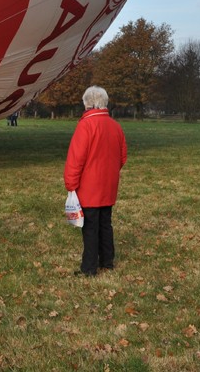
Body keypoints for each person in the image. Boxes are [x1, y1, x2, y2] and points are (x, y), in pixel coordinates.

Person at [63, 86, 127, 276]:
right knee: (105, 224)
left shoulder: (85, 125)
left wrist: (71, 184)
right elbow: (122, 156)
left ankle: (89, 268)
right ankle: (107, 261)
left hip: (89, 186)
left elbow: (76, 159)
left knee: (90, 227)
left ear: (88, 103)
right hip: (109, 184)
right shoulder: (115, 126)